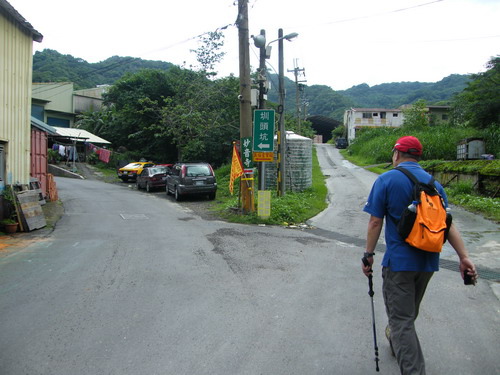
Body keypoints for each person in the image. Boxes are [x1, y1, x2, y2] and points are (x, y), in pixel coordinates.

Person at [361, 136, 478, 375]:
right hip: (427, 263)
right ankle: (397, 342)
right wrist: (463, 256)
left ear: (396, 154)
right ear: (418, 156)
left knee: (401, 321)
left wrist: (368, 254)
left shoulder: (386, 179)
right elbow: (448, 224)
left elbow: (375, 222)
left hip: (399, 264)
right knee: (407, 316)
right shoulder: (434, 184)